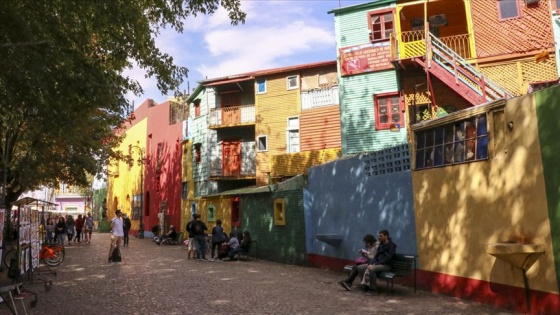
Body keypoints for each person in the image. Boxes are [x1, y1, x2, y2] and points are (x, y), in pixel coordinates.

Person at [340, 230, 396, 294]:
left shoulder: (391, 245)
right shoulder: (381, 245)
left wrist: (375, 264)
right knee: (360, 267)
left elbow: (388, 258)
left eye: (381, 236)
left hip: (386, 265)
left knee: (371, 268)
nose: (379, 237)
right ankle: (365, 286)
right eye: (379, 236)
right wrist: (372, 263)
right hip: (378, 264)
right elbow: (376, 256)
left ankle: (373, 290)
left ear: (386, 236)